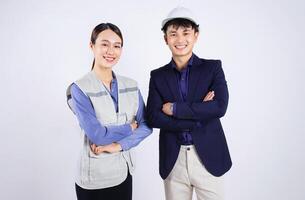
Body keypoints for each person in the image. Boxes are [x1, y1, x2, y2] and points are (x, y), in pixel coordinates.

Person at [146, 7, 232, 200]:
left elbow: (219, 107)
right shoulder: (158, 76)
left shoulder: (212, 68)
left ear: (196, 35)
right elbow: (153, 117)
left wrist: (175, 109)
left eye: (186, 33)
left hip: (208, 157)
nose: (180, 40)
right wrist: (199, 114)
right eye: (173, 34)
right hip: (173, 160)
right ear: (165, 39)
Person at [66, 22, 152, 200]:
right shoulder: (79, 89)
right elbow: (97, 134)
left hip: (124, 173)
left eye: (117, 46)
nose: (110, 51)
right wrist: (129, 128)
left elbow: (146, 125)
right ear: (92, 46)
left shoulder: (131, 85)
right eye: (104, 44)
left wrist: (118, 146)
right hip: (94, 179)